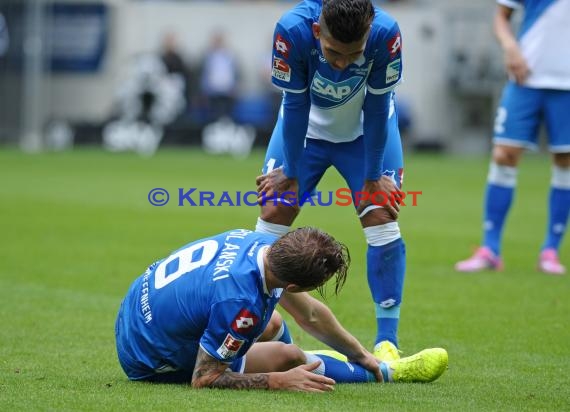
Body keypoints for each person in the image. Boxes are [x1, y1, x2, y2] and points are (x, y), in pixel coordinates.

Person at [254, 0, 408, 360]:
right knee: (275, 209)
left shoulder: (386, 34)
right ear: (317, 31)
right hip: (305, 133)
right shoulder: (292, 29)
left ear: (368, 34)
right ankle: (261, 322)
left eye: (352, 55)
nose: (341, 65)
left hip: (365, 136)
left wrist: (372, 177)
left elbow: (376, 106)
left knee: (381, 215)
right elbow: (294, 105)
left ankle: (387, 342)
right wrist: (291, 171)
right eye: (333, 53)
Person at [115, 227, 448, 390]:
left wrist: (360, 353)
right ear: (292, 287)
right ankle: (391, 373)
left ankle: (363, 365)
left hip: (134, 312)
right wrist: (277, 380)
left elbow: (311, 314)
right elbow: (204, 377)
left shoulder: (260, 243)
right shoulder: (241, 306)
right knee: (287, 357)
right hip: (148, 357)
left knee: (272, 324)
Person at [455, 0, 570, 275]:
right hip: (525, 78)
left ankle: (550, 250)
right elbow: (501, 16)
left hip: (567, 85)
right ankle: (490, 249)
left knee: (565, 161)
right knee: (503, 154)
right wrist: (510, 46)